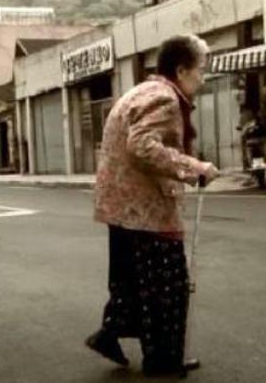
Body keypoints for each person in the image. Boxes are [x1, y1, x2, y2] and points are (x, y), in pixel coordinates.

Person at [85, 34, 219, 378]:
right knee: (167, 287)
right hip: (144, 209)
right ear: (181, 70)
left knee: (132, 281)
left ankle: (109, 333)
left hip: (120, 206)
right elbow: (142, 145)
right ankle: (163, 360)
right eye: (200, 71)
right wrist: (195, 168)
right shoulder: (164, 98)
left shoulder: (140, 91)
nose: (202, 80)